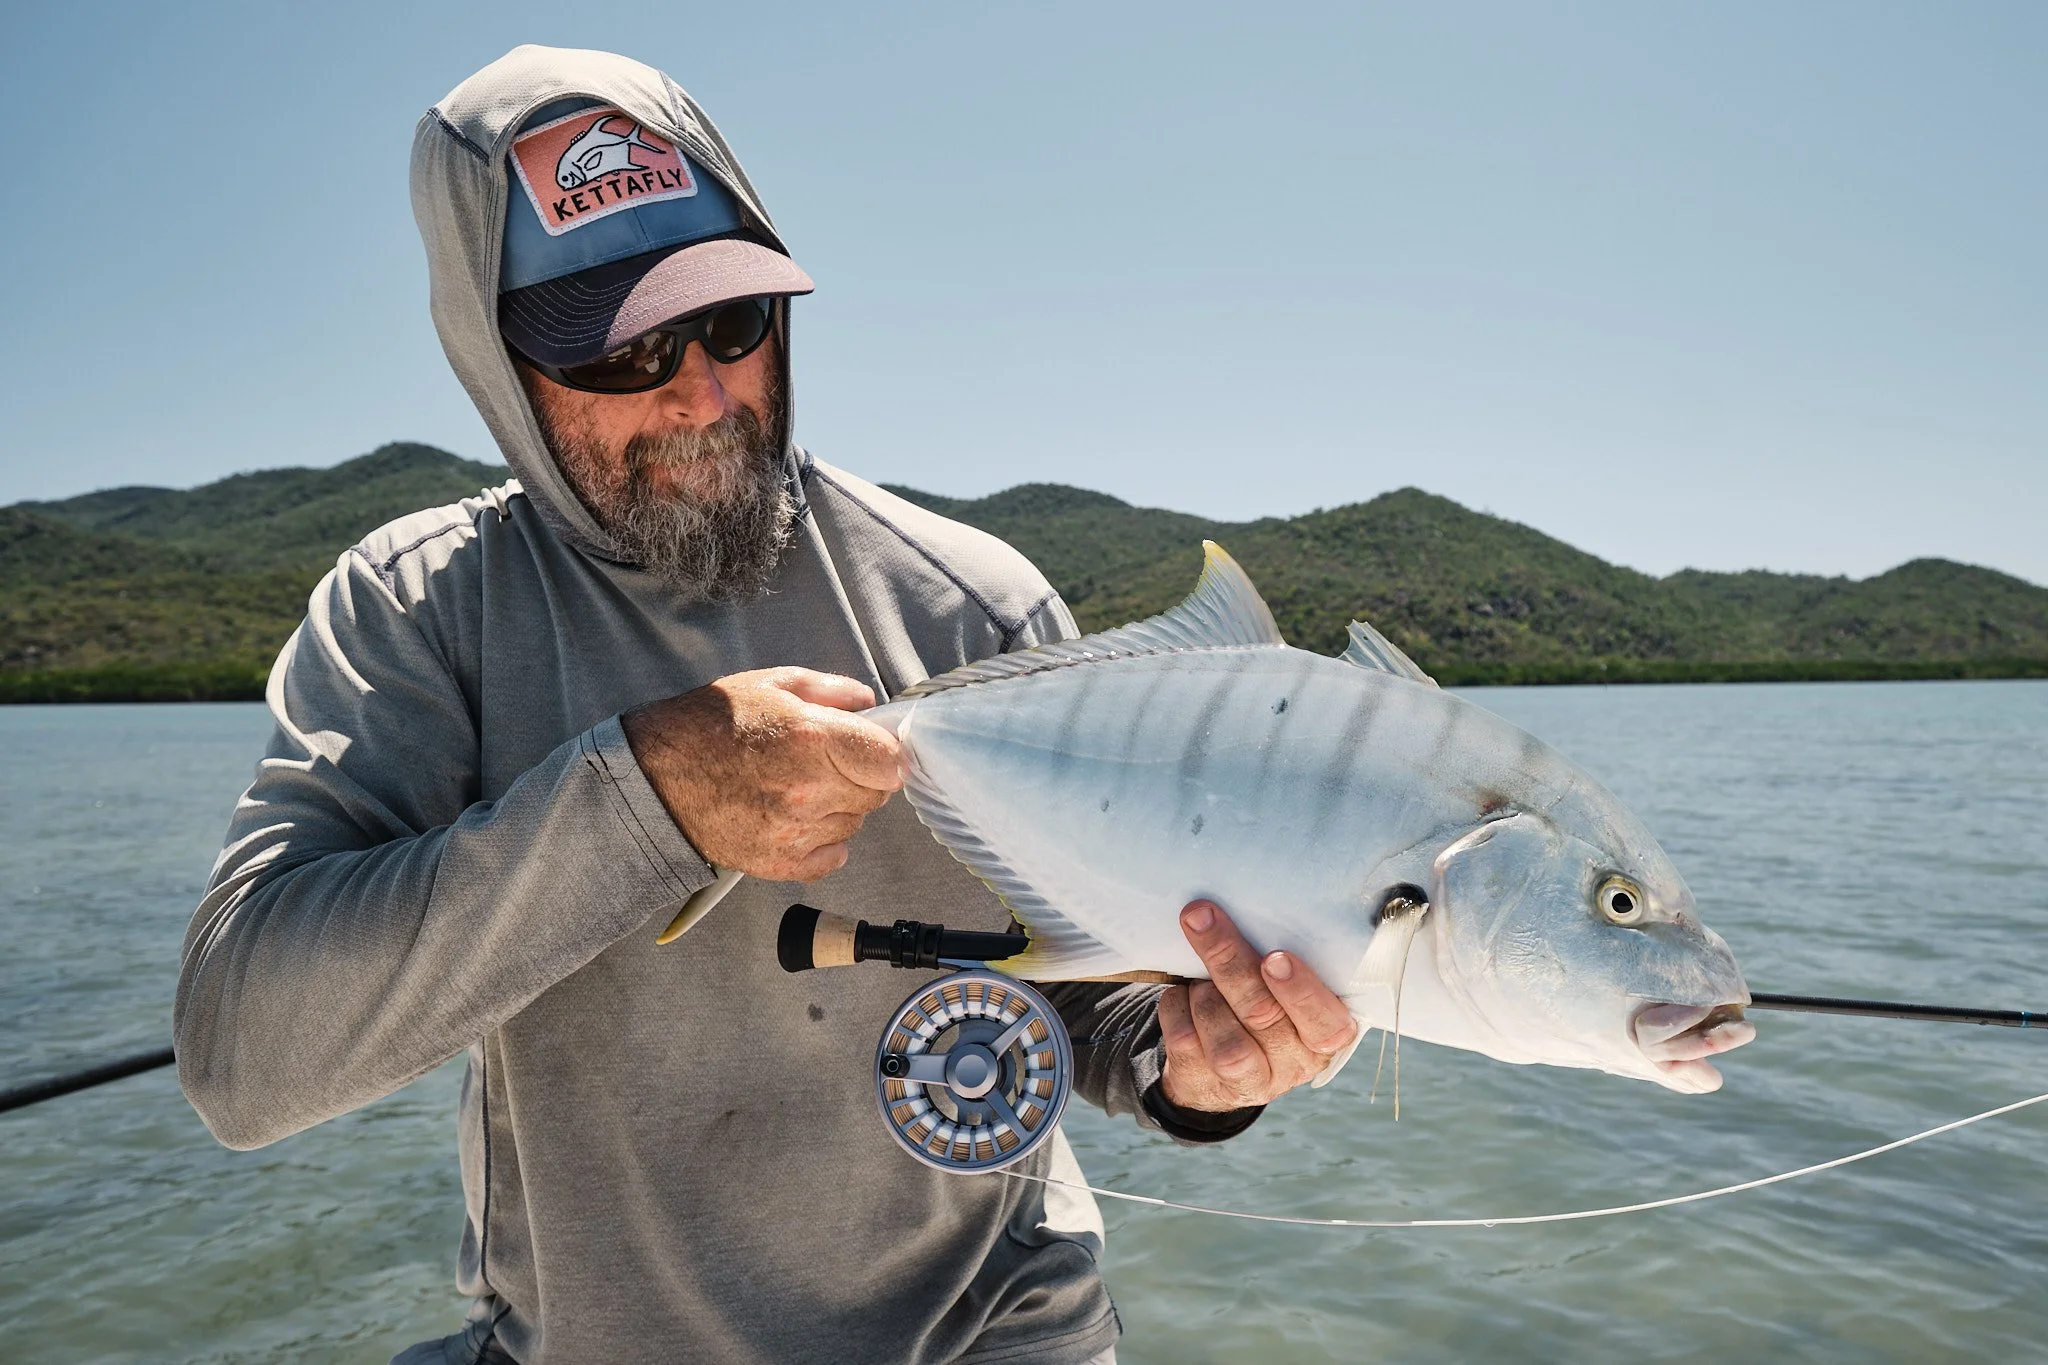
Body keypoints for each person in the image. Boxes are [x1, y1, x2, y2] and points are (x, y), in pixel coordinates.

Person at [174, 45, 1357, 1365]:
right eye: (618, 351)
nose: (700, 391)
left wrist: (1204, 1068)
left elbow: (1095, 1007)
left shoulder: (984, 605)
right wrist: (643, 799)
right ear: (494, 364)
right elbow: (243, 1061)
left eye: (730, 323)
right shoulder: (420, 614)